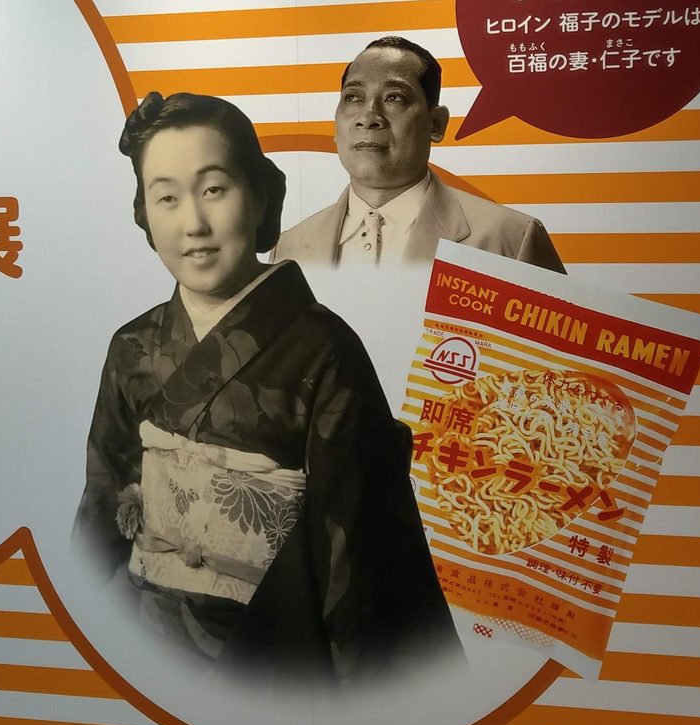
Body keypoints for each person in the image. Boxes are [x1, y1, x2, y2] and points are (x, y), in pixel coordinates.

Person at [74, 92, 461, 688]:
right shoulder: (133, 347)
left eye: (214, 189)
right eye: (166, 197)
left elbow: (355, 550)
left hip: (273, 651)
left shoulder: (325, 350)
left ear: (259, 196)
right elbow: (102, 510)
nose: (193, 224)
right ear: (144, 214)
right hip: (147, 645)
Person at [272, 36, 564, 272]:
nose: (368, 117)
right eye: (353, 97)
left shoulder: (510, 241)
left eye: (394, 97)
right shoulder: (289, 248)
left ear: (435, 123)